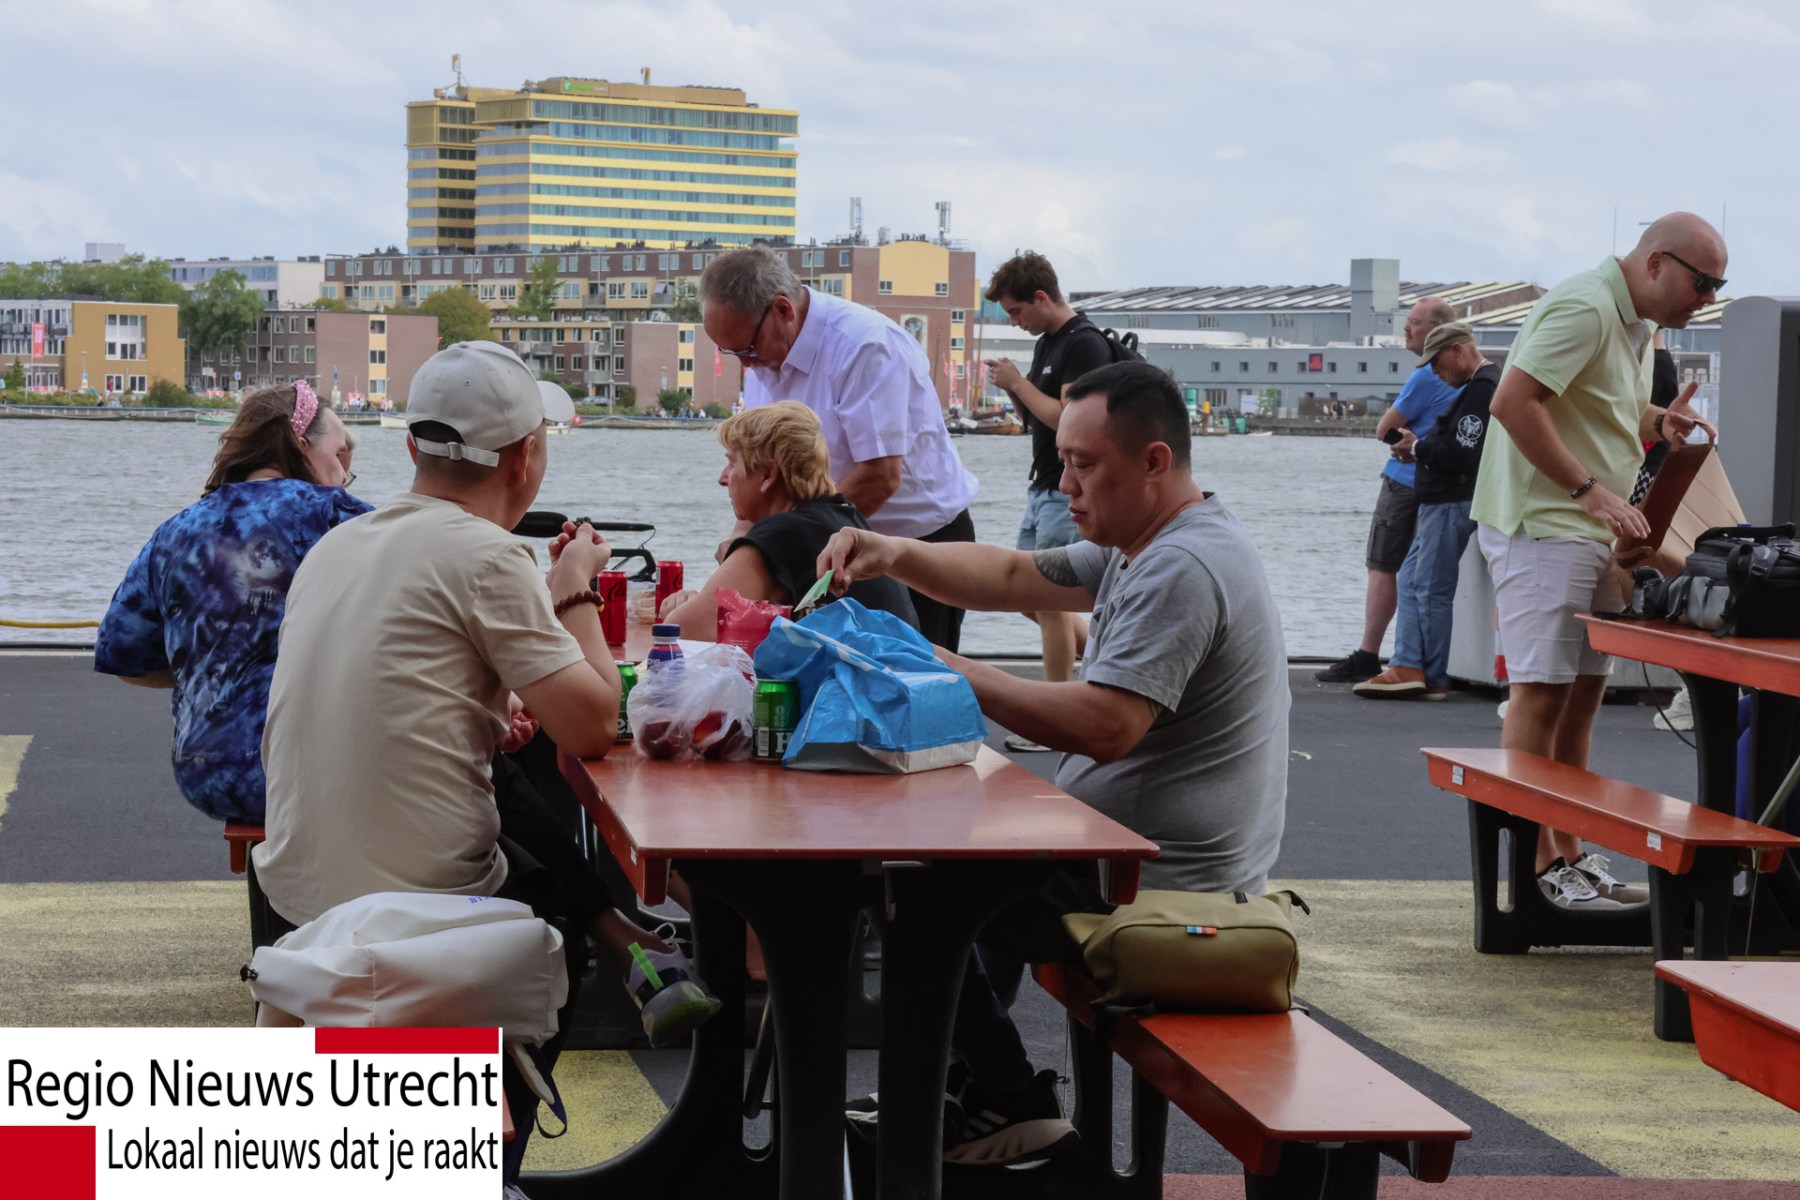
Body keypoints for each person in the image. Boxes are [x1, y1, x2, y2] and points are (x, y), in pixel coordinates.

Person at [253, 342, 718, 1171]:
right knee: (556, 936)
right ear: (527, 456)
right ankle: (485, 1159)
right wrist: (574, 585)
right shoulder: (486, 553)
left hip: (296, 881)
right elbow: (593, 724)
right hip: (417, 895)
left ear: (412, 448)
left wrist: (493, 707)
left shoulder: (339, 546)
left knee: (510, 806)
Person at [820, 360, 1288, 1164]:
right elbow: (1012, 574)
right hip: (1121, 858)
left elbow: (1107, 725)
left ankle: (1005, 1093)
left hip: (1161, 890)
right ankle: (974, 1082)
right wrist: (891, 552)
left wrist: (948, 669)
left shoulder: (1182, 566)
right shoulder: (1147, 542)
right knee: (968, 866)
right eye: (1063, 460)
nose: (1065, 484)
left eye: (1084, 464)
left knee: (914, 890)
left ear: (1154, 461)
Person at [1472, 212, 1722, 908]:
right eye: (1703, 284)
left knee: (1581, 697)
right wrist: (1590, 491)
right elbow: (1512, 402)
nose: (1707, 299)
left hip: (1588, 532)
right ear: (1657, 263)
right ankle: (1535, 869)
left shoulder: (1635, 322)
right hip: (1546, 526)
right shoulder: (1586, 306)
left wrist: (1658, 422)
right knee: (1541, 694)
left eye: (1717, 287)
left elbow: (1602, 406)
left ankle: (1569, 854)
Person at [94, 381, 365, 824]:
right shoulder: (332, 513)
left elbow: (124, 657)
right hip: (310, 769)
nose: (342, 474)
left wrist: (214, 667)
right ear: (300, 442)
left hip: (206, 774)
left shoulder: (176, 531)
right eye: (339, 455)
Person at [699, 246, 980, 649]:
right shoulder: (764, 353)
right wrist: (744, 538)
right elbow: (759, 469)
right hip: (823, 543)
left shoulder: (866, 346)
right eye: (731, 352)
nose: (745, 365)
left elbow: (880, 477)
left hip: (918, 545)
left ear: (783, 310)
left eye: (746, 349)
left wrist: (775, 546)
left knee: (913, 679)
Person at [982, 252, 1110, 751]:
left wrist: (1019, 383)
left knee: (1050, 599)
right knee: (1027, 595)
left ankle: (1058, 718)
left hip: (1066, 488)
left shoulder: (1084, 343)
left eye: (1017, 311)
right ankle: (1104, 658)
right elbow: (1038, 417)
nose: (1015, 322)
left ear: (1041, 297)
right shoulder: (1049, 344)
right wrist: (1016, 389)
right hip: (1042, 486)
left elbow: (1071, 420)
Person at [661, 400, 917, 637]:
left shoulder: (784, 534)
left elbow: (683, 629)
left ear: (767, 475)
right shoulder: (844, 518)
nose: (723, 478)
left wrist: (686, 604)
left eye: (732, 464)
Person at [1316, 296, 1459, 682]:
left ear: (1437, 330)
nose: (1406, 329)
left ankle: (1368, 653)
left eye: (1414, 322)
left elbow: (1385, 429)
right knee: (1425, 574)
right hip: (1444, 487)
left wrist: (1407, 445)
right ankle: (1423, 659)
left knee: (1384, 566)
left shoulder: (1426, 375)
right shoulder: (1470, 379)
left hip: (1405, 483)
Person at [1355, 322, 1497, 699]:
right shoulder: (1481, 387)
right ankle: (1410, 663)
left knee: (1431, 587)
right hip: (1445, 499)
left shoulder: (1480, 390)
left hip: (1450, 499)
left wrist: (1417, 447)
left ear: (1456, 350)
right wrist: (1424, 445)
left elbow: (1462, 453)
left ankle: (1428, 673)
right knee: (1411, 578)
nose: (1435, 371)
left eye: (1436, 362)